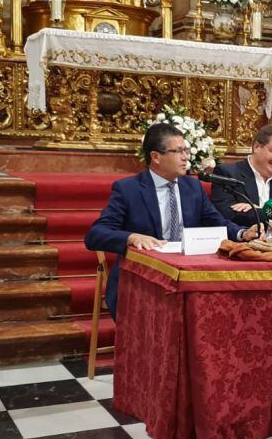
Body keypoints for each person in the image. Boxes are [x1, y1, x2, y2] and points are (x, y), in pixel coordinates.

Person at [85, 123, 260, 316]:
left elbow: (216, 222)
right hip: (143, 281)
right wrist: (131, 237)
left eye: (186, 150)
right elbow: (95, 235)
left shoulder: (193, 188)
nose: (186, 157)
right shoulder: (129, 190)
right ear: (156, 157)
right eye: (178, 151)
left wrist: (243, 233)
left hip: (189, 278)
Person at [210, 124, 272, 230]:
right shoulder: (228, 174)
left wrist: (257, 209)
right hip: (244, 243)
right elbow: (226, 214)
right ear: (257, 147)